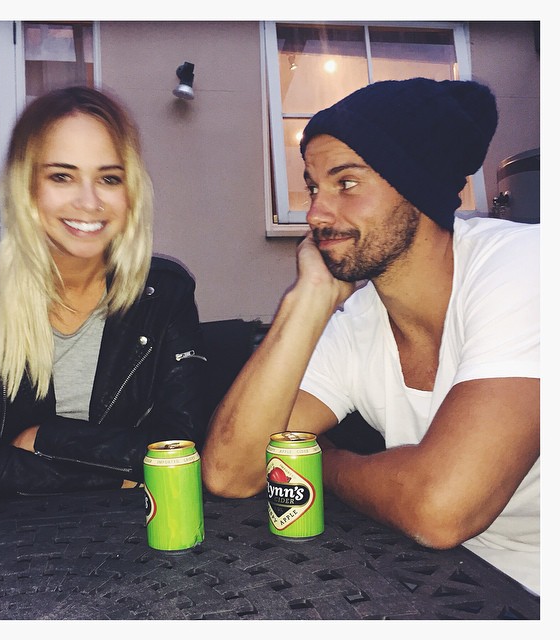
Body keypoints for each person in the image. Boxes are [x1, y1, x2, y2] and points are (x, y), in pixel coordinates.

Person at [201, 78, 540, 595]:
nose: (315, 213)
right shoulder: (362, 316)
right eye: (314, 188)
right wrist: (309, 299)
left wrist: (323, 463)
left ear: (417, 187)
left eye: (347, 183)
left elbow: (440, 509)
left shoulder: (525, 265)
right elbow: (231, 471)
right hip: (460, 582)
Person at [0, 86, 208, 503]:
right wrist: (115, 480)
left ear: (131, 192)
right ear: (27, 186)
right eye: (61, 176)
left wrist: (47, 437)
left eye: (109, 178)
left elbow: (181, 448)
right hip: (5, 534)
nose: (88, 201)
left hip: (132, 529)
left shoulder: (164, 292)